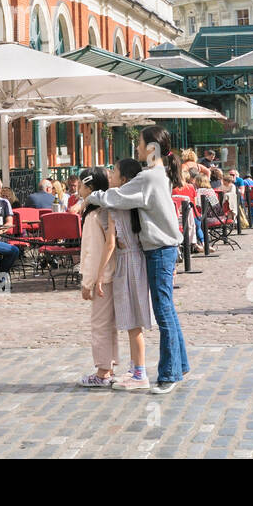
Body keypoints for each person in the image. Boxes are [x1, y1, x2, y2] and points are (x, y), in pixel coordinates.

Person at [83, 125, 188, 395]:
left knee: (164, 312)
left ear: (151, 148)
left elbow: (116, 197)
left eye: (140, 144)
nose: (137, 149)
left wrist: (90, 196)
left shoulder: (148, 177)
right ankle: (180, 364)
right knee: (169, 311)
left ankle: (169, 374)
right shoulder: (158, 174)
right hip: (163, 247)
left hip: (159, 248)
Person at [106, 158, 154, 390]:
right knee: (134, 321)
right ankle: (136, 368)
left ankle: (140, 373)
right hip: (139, 260)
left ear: (124, 179)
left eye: (114, 173)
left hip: (127, 262)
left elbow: (110, 243)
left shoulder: (116, 203)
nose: (110, 176)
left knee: (133, 322)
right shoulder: (135, 201)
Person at [76, 168, 118, 388]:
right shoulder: (104, 211)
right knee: (108, 324)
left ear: (91, 188)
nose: (78, 189)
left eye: (81, 185)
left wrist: (87, 282)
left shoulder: (94, 216)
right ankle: (108, 366)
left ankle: (103, 372)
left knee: (99, 324)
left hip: (103, 276)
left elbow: (92, 251)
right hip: (111, 274)